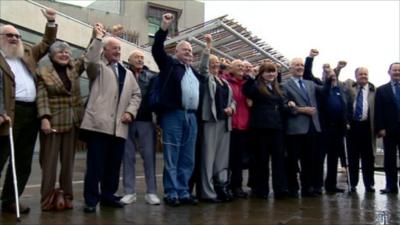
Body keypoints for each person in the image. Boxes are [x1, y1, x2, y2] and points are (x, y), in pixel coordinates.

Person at [0, 8, 57, 214]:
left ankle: (10, 200)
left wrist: (51, 22)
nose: (14, 38)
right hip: (8, 114)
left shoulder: (27, 53)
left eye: (17, 35)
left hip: (30, 113)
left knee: (23, 160)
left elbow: (47, 43)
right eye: (10, 35)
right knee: (1, 156)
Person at [80, 25, 141, 213]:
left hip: (120, 127)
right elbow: (89, 60)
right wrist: (98, 38)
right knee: (95, 166)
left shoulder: (128, 73)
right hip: (99, 125)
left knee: (113, 166)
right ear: (104, 51)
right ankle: (91, 200)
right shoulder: (97, 67)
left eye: (119, 49)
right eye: (114, 48)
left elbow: (136, 95)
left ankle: (108, 196)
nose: (118, 51)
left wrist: (130, 112)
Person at [151, 13, 204, 206]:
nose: (189, 52)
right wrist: (163, 27)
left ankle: (183, 191)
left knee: (187, 157)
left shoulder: (193, 71)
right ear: (177, 53)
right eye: (185, 50)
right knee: (172, 155)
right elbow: (157, 50)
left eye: (190, 50)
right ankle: (171, 192)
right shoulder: (170, 65)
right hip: (174, 115)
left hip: (191, 117)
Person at [36, 41, 85, 211]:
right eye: (60, 52)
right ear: (51, 55)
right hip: (53, 123)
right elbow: (42, 97)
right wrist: (44, 118)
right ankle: (47, 199)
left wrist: (96, 37)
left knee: (68, 163)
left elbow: (87, 56)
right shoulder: (43, 71)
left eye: (66, 52)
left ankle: (67, 196)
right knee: (49, 163)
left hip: (72, 122)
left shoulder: (73, 68)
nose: (64, 54)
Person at [243, 62, 291, 199]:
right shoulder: (256, 86)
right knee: (261, 160)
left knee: (278, 160)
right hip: (261, 128)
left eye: (273, 71)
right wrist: (251, 77)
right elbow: (247, 91)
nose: (271, 74)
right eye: (267, 71)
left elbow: (282, 104)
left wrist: (288, 104)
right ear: (261, 73)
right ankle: (261, 189)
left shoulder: (278, 88)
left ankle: (280, 189)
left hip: (276, 128)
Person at [197, 34, 235, 203]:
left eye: (216, 63)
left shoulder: (224, 82)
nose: (214, 65)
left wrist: (231, 108)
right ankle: (207, 192)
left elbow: (233, 100)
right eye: (212, 63)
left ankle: (221, 188)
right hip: (211, 122)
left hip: (224, 123)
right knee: (208, 158)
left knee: (221, 159)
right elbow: (203, 68)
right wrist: (208, 47)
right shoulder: (207, 78)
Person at [120, 50, 160, 205]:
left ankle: (151, 192)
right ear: (129, 59)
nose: (140, 59)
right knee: (127, 156)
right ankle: (129, 192)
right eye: (137, 57)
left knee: (149, 157)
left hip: (145, 120)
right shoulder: (123, 73)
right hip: (126, 120)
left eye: (142, 58)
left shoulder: (151, 76)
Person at [282, 57, 322, 197]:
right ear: (290, 68)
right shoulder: (284, 85)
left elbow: (324, 91)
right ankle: (293, 188)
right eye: (296, 65)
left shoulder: (310, 84)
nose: (300, 67)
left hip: (312, 127)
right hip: (295, 128)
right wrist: (300, 110)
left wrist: (332, 76)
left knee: (309, 159)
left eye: (302, 65)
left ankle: (308, 187)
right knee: (292, 160)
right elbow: (284, 104)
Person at [345, 67, 376, 193]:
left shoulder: (374, 90)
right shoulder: (349, 87)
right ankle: (352, 184)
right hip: (352, 127)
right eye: (360, 74)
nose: (363, 76)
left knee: (368, 158)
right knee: (353, 157)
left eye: (365, 74)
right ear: (356, 76)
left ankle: (369, 184)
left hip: (367, 127)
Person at [223, 59, 251, 198]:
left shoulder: (248, 84)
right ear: (231, 69)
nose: (241, 67)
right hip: (229, 125)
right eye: (238, 66)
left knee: (239, 159)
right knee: (227, 158)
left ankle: (237, 186)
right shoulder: (225, 82)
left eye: (242, 65)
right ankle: (224, 185)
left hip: (244, 126)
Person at [375, 62, 400, 194]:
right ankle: (391, 186)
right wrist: (381, 128)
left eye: (399, 70)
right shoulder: (382, 90)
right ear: (389, 72)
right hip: (389, 130)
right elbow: (378, 111)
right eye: (394, 70)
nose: (397, 72)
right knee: (389, 160)